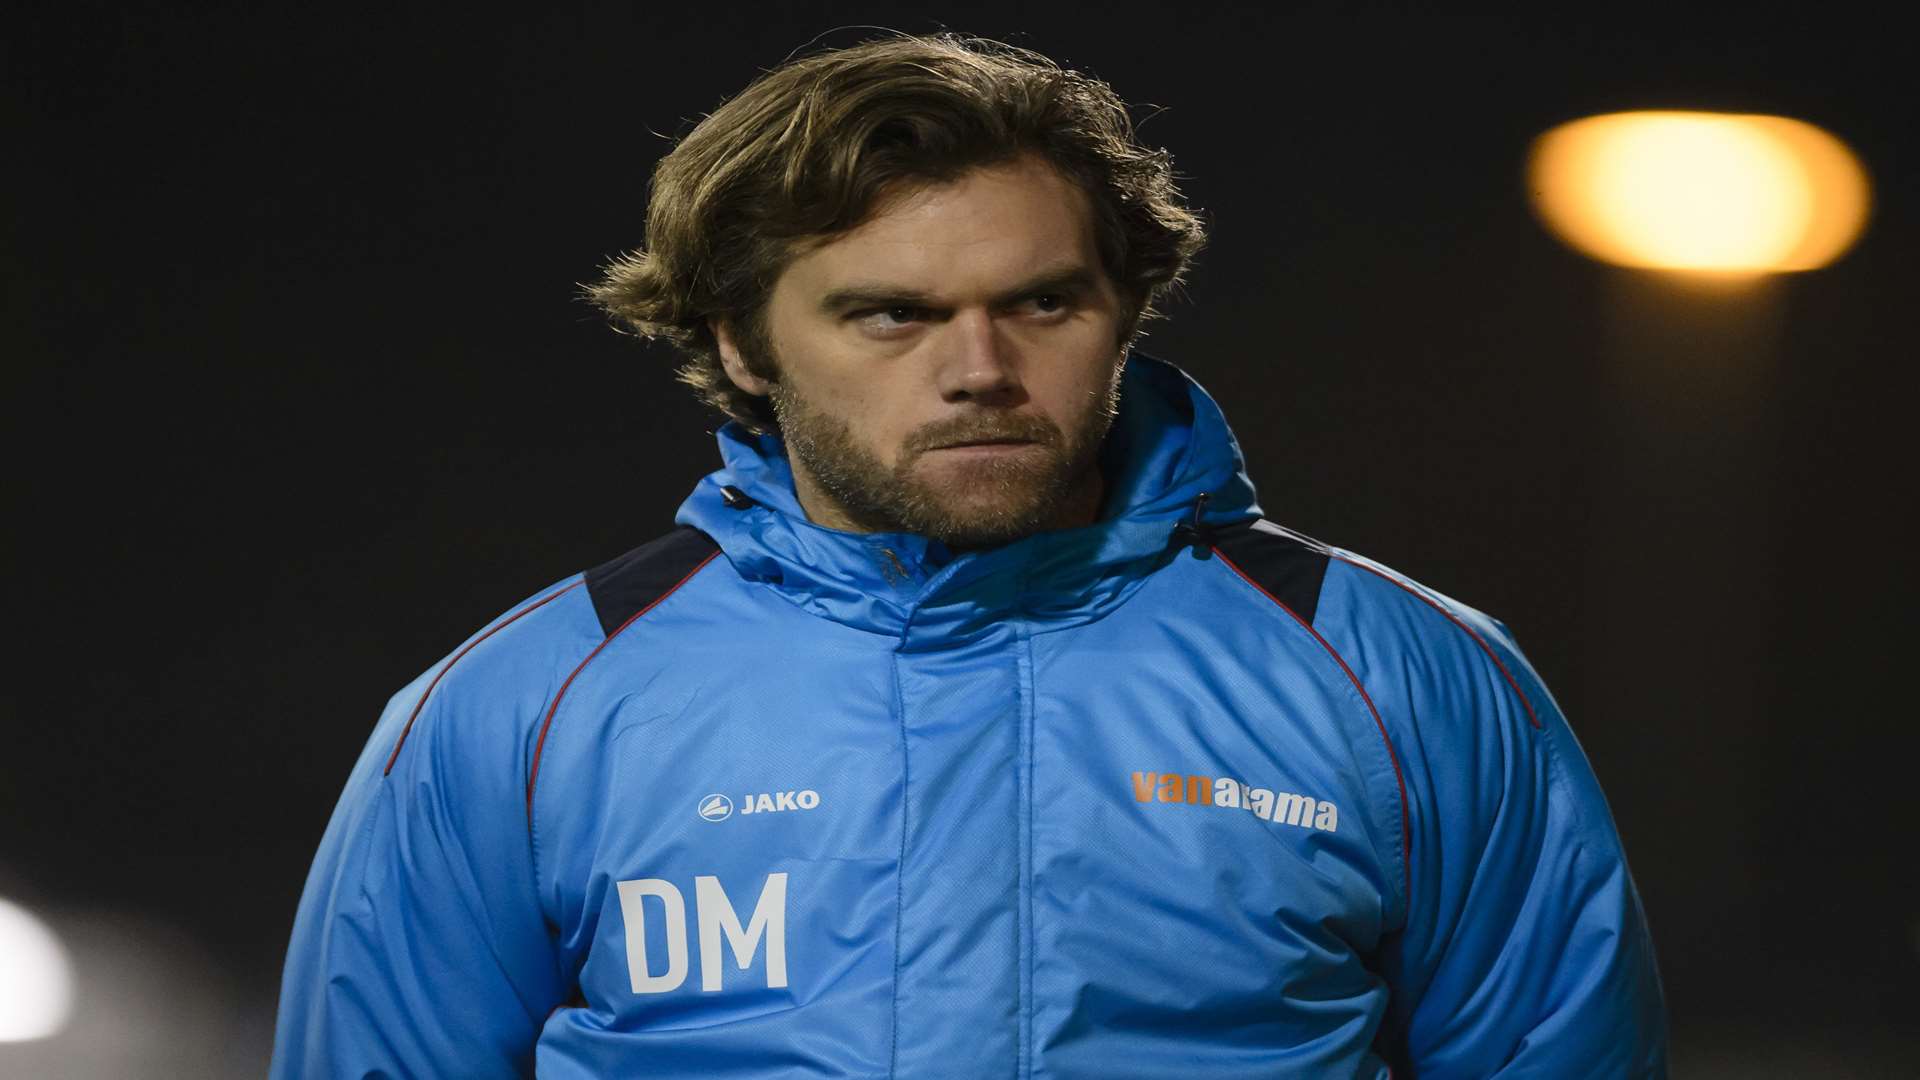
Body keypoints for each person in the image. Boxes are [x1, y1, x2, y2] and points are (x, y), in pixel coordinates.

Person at [270, 31, 1667, 1079]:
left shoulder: (1406, 680)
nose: (981, 370)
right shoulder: (519, 711)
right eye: (891, 315)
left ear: (1127, 309)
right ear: (737, 342)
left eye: (1044, 302)